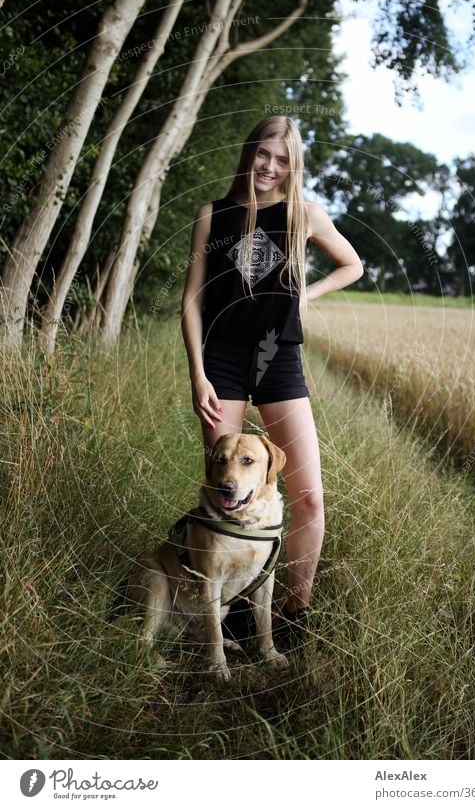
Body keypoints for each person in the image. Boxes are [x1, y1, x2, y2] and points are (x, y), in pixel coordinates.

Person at [180, 115, 363, 645]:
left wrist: (307, 295)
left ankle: (294, 615)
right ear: (249, 152)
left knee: (307, 496)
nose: (271, 167)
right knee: (226, 492)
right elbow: (192, 300)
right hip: (223, 361)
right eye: (264, 154)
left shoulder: (304, 214)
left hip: (279, 357)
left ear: (294, 165)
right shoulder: (213, 215)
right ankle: (232, 612)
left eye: (283, 160)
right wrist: (198, 374)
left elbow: (352, 264)